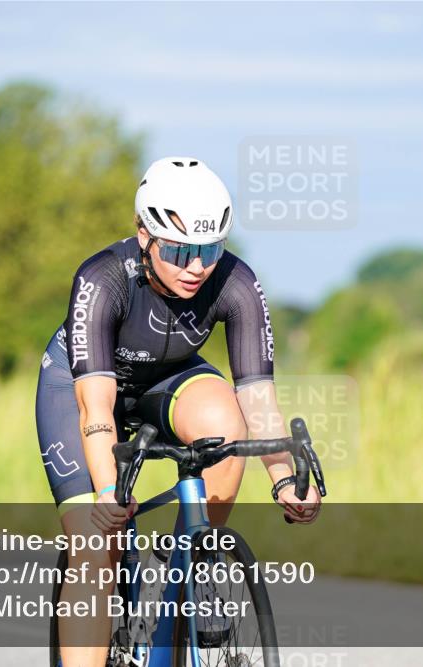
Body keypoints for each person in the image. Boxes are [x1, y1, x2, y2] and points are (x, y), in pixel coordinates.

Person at [35, 157, 322, 666]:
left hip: (166, 379)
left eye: (210, 250)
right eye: (179, 250)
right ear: (144, 234)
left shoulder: (236, 282)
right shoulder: (103, 279)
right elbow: (96, 406)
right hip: (81, 385)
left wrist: (283, 477)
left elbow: (259, 400)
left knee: (227, 423)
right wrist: (107, 493)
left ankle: (193, 558)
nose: (197, 267)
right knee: (97, 547)